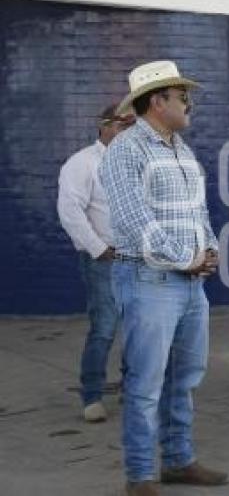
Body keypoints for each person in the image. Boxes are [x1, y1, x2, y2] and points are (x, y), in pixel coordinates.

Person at [100, 61, 229, 496]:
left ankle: (177, 461)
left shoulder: (180, 149)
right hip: (149, 278)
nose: (188, 102)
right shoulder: (126, 148)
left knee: (185, 376)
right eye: (181, 96)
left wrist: (209, 248)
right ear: (158, 101)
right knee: (146, 383)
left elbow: (198, 211)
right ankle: (140, 476)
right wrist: (185, 259)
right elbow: (134, 218)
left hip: (190, 282)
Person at [58, 104, 135, 423]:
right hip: (104, 260)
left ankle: (132, 389)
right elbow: (70, 211)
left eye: (132, 126)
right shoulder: (82, 163)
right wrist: (98, 248)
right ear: (103, 126)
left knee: (137, 327)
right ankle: (92, 395)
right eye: (121, 125)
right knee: (104, 328)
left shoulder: (136, 164)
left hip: (138, 259)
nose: (127, 131)